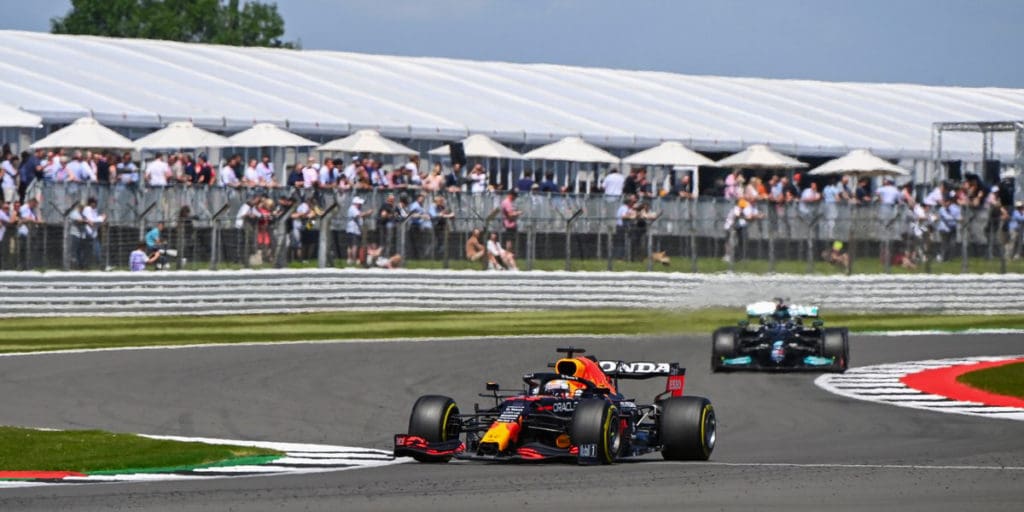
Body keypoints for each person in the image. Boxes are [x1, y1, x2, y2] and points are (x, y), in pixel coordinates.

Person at [723, 198, 763, 263]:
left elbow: (757, 215)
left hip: (736, 226)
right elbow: (738, 216)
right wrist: (751, 217)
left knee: (738, 241)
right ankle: (727, 256)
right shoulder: (736, 209)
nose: (743, 207)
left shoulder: (743, 209)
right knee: (729, 241)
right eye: (742, 206)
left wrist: (754, 216)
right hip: (729, 226)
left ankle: (738, 257)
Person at [346, 196, 371, 265]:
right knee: (354, 245)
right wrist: (367, 213)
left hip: (354, 230)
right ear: (356, 203)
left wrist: (365, 215)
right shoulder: (353, 208)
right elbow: (358, 215)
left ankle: (350, 259)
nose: (360, 205)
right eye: (359, 204)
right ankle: (353, 259)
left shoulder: (356, 209)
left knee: (351, 245)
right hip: (353, 230)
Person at [82, 197, 106, 268]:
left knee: (93, 250)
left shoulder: (94, 210)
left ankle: (88, 264)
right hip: (88, 233)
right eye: (95, 203)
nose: (96, 204)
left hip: (94, 233)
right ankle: (100, 264)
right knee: (93, 250)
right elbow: (91, 221)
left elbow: (95, 222)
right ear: (91, 203)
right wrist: (101, 218)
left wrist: (100, 219)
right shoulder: (87, 209)